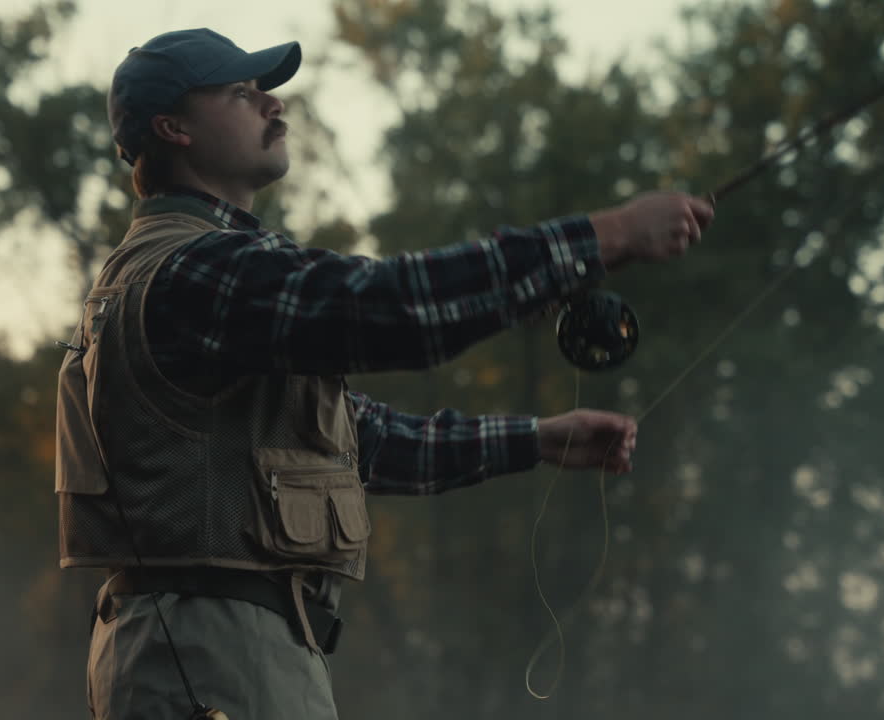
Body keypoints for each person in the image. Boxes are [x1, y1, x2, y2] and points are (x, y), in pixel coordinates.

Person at [54, 27, 714, 720]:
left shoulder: (192, 271)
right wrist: (606, 237)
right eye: (243, 94)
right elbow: (394, 308)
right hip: (211, 658)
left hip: (221, 653)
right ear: (172, 127)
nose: (275, 107)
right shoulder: (197, 270)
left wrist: (537, 440)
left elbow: (353, 442)